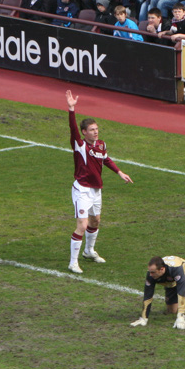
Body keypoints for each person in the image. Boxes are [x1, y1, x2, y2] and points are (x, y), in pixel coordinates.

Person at [65, 90, 133, 274]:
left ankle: (89, 251)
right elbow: (72, 129)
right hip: (82, 190)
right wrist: (71, 109)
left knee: (95, 221)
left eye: (97, 129)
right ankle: (73, 262)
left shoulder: (101, 144)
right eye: (92, 130)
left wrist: (119, 172)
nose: (95, 132)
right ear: (84, 132)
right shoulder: (80, 145)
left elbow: (106, 159)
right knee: (82, 225)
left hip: (96, 190)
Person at [130, 256, 185, 328]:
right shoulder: (151, 275)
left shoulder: (175, 269)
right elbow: (148, 296)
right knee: (172, 311)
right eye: (150, 272)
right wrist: (144, 318)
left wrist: (180, 316)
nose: (150, 275)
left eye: (153, 272)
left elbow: (181, 292)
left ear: (161, 269)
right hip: (170, 282)